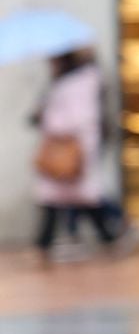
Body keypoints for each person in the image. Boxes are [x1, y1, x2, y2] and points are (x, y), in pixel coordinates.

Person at [30, 48, 126, 264]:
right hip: (73, 147)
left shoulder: (78, 84)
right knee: (78, 197)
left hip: (72, 148)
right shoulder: (71, 82)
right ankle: (107, 236)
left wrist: (48, 117)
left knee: (73, 196)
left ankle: (114, 229)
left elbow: (75, 118)